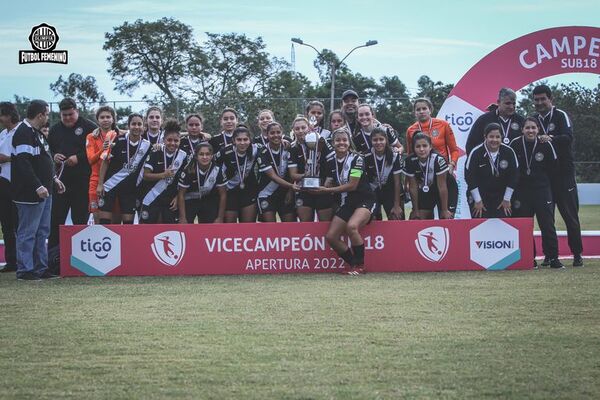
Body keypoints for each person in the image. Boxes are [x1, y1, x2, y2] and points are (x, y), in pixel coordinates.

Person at [11, 100, 65, 280]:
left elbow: (44, 161)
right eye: (47, 114)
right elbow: (23, 163)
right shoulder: (23, 132)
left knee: (42, 231)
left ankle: (41, 268)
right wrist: (37, 185)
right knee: (27, 232)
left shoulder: (37, 134)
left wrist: (54, 179)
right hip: (30, 194)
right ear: (40, 114)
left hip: (45, 191)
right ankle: (25, 270)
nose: (48, 118)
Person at [312, 128, 376, 275]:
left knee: (352, 227)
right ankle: (353, 263)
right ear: (333, 143)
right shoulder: (329, 159)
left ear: (349, 142)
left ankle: (360, 265)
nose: (341, 143)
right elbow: (329, 179)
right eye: (338, 140)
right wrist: (316, 187)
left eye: (344, 140)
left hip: (364, 199)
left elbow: (353, 185)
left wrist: (327, 191)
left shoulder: (357, 159)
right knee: (331, 236)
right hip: (347, 201)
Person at [533, 84, 583, 267]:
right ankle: (550, 255)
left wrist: (550, 138)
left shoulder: (560, 115)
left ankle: (577, 254)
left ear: (550, 99)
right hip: (545, 177)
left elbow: (568, 138)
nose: (539, 103)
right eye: (536, 100)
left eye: (542, 99)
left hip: (564, 175)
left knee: (570, 215)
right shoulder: (534, 120)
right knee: (546, 219)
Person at [510, 117, 563, 269]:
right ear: (522, 130)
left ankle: (553, 258)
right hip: (522, 192)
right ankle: (528, 258)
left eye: (533, 127)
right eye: (527, 128)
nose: (530, 131)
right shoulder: (515, 144)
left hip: (541, 190)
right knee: (525, 226)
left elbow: (554, 168)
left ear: (538, 129)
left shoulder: (545, 144)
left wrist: (546, 186)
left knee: (547, 224)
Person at [47, 98, 97, 253]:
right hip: (60, 183)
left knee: (80, 220)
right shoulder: (54, 130)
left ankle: (81, 256)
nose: (68, 118)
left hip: (82, 182)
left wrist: (79, 158)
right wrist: (54, 156)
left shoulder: (90, 127)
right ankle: (52, 258)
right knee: (56, 221)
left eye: (70, 114)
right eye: (64, 115)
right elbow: (49, 151)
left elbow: (97, 151)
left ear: (77, 111)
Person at [96, 113, 152, 224]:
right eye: (133, 124)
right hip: (111, 185)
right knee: (104, 221)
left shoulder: (148, 146)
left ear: (144, 127)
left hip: (130, 189)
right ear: (128, 126)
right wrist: (100, 184)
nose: (136, 127)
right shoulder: (117, 141)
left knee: (128, 224)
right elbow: (105, 162)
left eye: (139, 124)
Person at [465, 123, 519, 218]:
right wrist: (478, 200)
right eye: (491, 137)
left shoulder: (509, 152)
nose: (494, 140)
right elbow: (470, 177)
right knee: (480, 226)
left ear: (501, 137)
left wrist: (507, 198)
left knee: (503, 225)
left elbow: (514, 176)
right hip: (480, 196)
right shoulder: (476, 152)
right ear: (485, 137)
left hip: (502, 197)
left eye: (497, 137)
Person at [139, 120, 187, 224]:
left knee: (169, 230)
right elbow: (146, 176)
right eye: (169, 140)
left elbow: (184, 181)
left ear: (180, 141)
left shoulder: (183, 156)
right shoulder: (156, 152)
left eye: (176, 140)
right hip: (151, 197)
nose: (172, 143)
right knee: (147, 230)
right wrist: (163, 175)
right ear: (164, 140)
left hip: (170, 199)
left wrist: (178, 197)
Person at [288, 116, 335, 222]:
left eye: (303, 128)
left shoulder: (322, 142)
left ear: (309, 128)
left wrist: (327, 184)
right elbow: (293, 175)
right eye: (297, 129)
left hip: (323, 189)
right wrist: (306, 176)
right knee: (306, 226)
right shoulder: (293, 148)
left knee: (325, 226)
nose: (300, 131)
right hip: (304, 190)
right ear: (293, 131)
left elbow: (332, 166)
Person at [403, 133, 454, 220]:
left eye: (424, 146)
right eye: (418, 146)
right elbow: (413, 187)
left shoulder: (438, 159)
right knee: (417, 217)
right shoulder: (409, 161)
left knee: (446, 217)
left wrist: (444, 210)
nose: (421, 149)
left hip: (446, 188)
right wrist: (415, 210)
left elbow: (442, 187)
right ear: (414, 149)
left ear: (430, 147)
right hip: (427, 188)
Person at [216, 125, 260, 223]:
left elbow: (271, 148)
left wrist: (284, 142)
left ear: (250, 140)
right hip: (230, 191)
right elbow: (213, 165)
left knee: (248, 228)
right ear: (234, 140)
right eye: (239, 140)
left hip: (248, 191)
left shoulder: (256, 149)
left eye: (245, 139)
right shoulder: (225, 151)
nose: (242, 143)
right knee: (230, 229)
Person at [256, 122, 299, 222]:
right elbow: (273, 176)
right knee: (270, 230)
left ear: (282, 133)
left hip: (285, 193)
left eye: (278, 132)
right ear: (267, 134)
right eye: (272, 133)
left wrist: (290, 191)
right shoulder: (262, 152)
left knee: (289, 229)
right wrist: (291, 186)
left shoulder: (288, 148)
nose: (275, 135)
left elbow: (293, 172)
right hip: (266, 193)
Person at [406, 98, 459, 175]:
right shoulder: (410, 130)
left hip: (442, 170)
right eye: (418, 109)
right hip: (421, 173)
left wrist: (452, 165)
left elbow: (454, 150)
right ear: (415, 113)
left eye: (424, 108)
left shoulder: (443, 125)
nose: (421, 111)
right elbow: (410, 155)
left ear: (430, 110)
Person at [178, 143, 228, 224]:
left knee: (210, 225)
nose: (205, 157)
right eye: (201, 154)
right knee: (185, 224)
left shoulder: (217, 170)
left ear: (212, 156)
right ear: (196, 156)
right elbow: (181, 194)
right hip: (190, 200)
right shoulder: (189, 170)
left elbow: (223, 194)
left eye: (208, 154)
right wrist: (182, 218)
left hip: (208, 199)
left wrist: (220, 218)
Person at [465, 88, 525, 154]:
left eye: (514, 104)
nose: (511, 107)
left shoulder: (521, 121)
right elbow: (471, 145)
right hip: (488, 162)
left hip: (514, 163)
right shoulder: (484, 120)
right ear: (498, 102)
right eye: (508, 103)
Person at [86, 106, 118, 223]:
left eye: (108, 117)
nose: (105, 120)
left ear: (113, 119)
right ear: (97, 120)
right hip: (96, 180)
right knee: (97, 218)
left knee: (114, 220)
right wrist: (102, 150)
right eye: (102, 117)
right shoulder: (91, 137)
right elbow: (90, 159)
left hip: (114, 180)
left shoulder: (119, 135)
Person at [364, 127, 404, 220]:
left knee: (396, 217)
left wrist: (397, 205)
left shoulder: (395, 156)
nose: (378, 142)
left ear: (386, 140)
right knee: (371, 218)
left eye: (381, 139)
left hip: (390, 192)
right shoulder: (366, 155)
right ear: (371, 141)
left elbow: (397, 182)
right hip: (374, 192)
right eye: (375, 140)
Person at [0, 102, 20, 272]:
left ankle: (22, 259)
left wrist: (6, 158)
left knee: (19, 223)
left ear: (8, 115)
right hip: (3, 181)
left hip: (18, 182)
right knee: (6, 223)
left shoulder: (21, 131)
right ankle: (11, 260)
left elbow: (23, 157)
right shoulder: (3, 134)